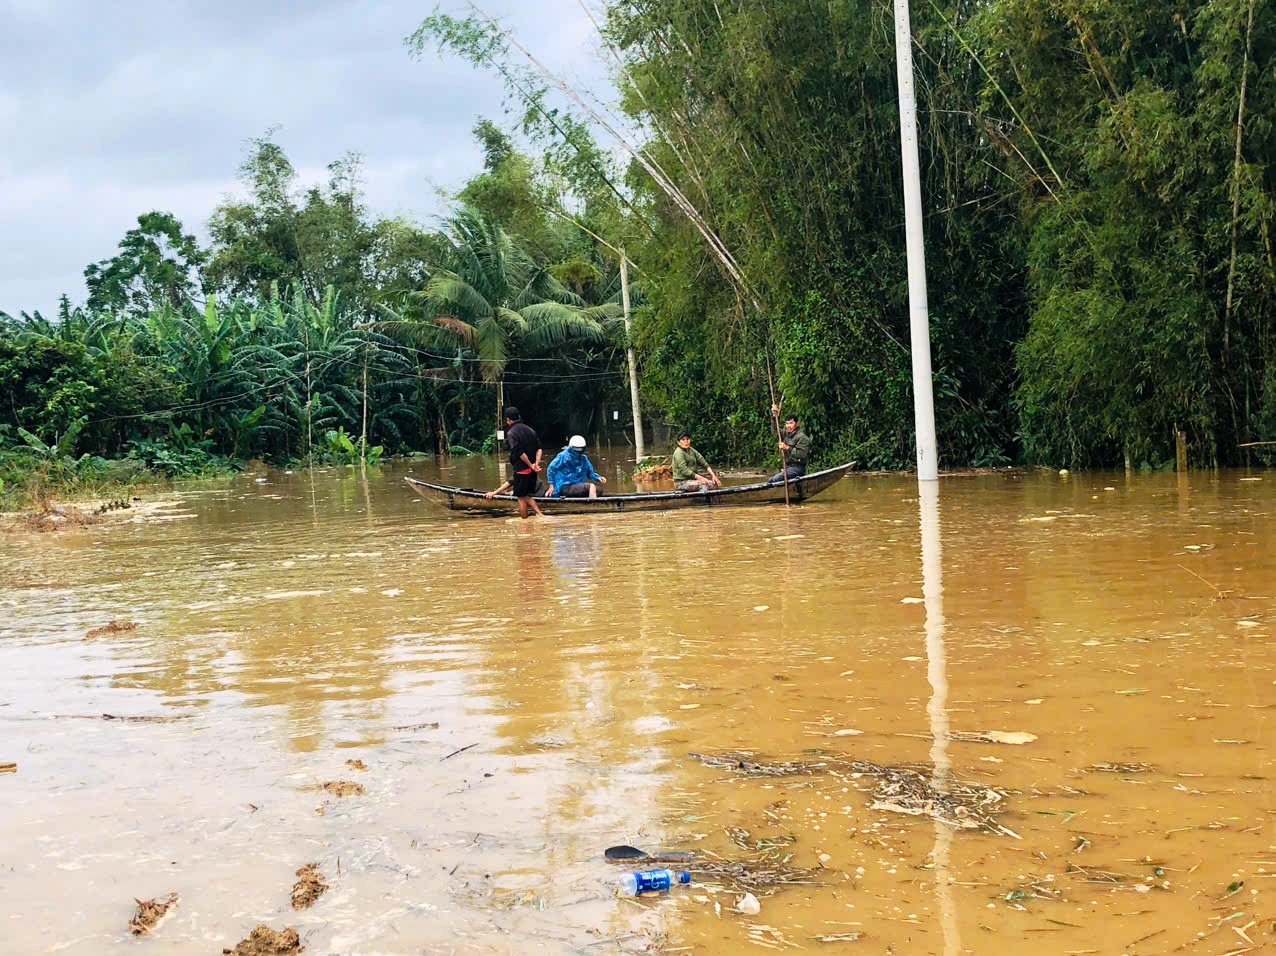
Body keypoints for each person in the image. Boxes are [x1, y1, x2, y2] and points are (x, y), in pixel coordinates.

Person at [485, 406, 544, 518]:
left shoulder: (512, 433)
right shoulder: (530, 430)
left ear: (508, 420)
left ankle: (525, 522)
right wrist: (536, 464)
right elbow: (539, 448)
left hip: (523, 469)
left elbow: (519, 452)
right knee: (525, 495)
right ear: (519, 417)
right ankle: (539, 514)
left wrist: (530, 465)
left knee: (521, 498)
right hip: (531, 470)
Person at [768, 407, 811, 484]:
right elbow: (775, 431)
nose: (788, 426)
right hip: (787, 467)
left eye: (791, 423)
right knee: (771, 481)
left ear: (797, 424)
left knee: (775, 480)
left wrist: (787, 448)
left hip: (798, 468)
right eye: (787, 423)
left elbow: (801, 454)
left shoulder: (802, 437)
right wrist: (775, 416)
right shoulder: (785, 434)